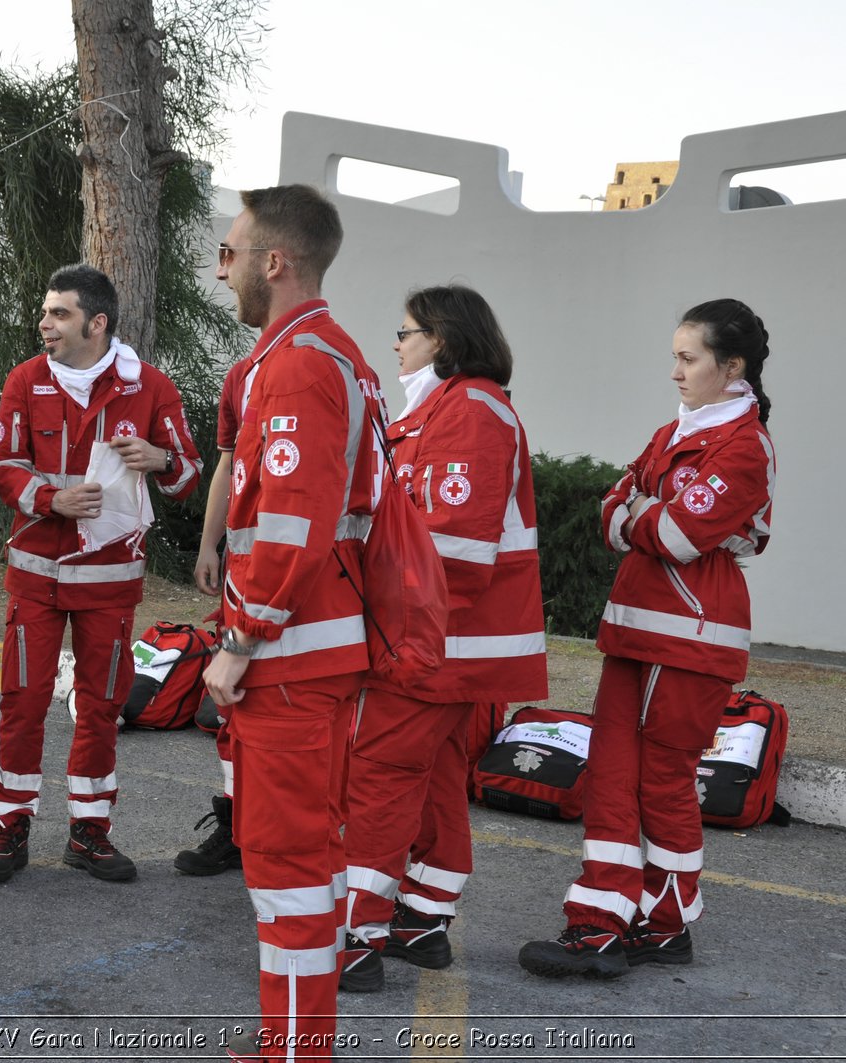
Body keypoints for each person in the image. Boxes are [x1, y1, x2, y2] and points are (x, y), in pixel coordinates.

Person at [519, 298, 776, 978]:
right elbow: (613, 510)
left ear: (733, 366)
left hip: (689, 641)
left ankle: (664, 923)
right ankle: (598, 923)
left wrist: (645, 510)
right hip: (637, 631)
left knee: (660, 782)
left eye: (688, 358)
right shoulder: (676, 432)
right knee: (608, 778)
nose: (676, 371)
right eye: (675, 357)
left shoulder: (744, 445)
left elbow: (675, 536)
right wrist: (645, 512)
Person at [200, 186, 383, 1063]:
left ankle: (299, 1053)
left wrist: (238, 644)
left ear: (276, 262)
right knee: (296, 858)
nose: (220, 265)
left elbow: (291, 526)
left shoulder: (301, 361)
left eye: (231, 251)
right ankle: (294, 1044)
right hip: (309, 650)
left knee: (289, 862)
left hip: (292, 655)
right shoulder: (317, 354)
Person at [337, 285, 547, 993]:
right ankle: (422, 916)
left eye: (405, 332)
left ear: (445, 338)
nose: (395, 344)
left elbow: (452, 551)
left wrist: (376, 607)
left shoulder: (470, 410)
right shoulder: (442, 409)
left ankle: (354, 934)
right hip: (449, 640)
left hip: (438, 639)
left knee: (379, 773)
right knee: (428, 778)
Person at [0, 263, 202, 884]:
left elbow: (187, 477)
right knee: (21, 703)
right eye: (46, 312)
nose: (44, 323)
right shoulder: (24, 380)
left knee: (101, 706)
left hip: (110, 582)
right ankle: (8, 826)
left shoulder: (150, 387)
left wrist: (159, 458)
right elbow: (2, 465)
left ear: (96, 324)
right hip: (35, 578)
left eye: (59, 313)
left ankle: (90, 831)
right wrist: (50, 501)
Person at [174, 351, 255, 876]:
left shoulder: (326, 369)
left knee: (283, 714)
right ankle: (238, 827)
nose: (223, 271)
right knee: (232, 711)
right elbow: (229, 461)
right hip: (244, 575)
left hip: (288, 583)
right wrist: (210, 544)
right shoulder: (243, 375)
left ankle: (270, 833)